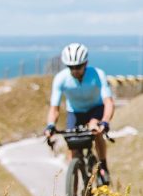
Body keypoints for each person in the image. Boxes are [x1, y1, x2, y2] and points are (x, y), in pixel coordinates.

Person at [43, 42, 115, 183]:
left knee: (95, 128)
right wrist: (50, 125)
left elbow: (109, 102)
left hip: (96, 109)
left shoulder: (98, 74)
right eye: (71, 67)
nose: (75, 70)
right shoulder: (60, 79)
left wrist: (105, 121)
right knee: (73, 151)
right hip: (75, 112)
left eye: (78, 67)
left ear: (85, 63)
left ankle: (103, 165)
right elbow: (54, 108)